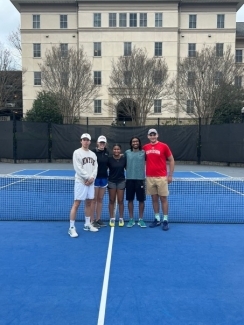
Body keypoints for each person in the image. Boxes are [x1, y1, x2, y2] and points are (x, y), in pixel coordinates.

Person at [142, 128, 174, 231]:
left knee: (163, 199)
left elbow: (171, 160)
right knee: (154, 199)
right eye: (150, 135)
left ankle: (165, 220)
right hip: (150, 177)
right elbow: (142, 161)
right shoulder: (145, 148)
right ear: (148, 136)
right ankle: (157, 218)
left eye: (154, 134)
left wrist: (170, 175)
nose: (152, 136)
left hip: (161, 177)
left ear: (157, 135)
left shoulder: (164, 146)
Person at [68, 133, 98, 238]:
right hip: (81, 182)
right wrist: (87, 178)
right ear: (81, 141)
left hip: (90, 182)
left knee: (89, 203)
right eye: (84, 139)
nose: (86, 141)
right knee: (76, 204)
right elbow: (77, 168)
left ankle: (87, 224)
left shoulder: (93, 154)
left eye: (87, 140)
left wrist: (92, 178)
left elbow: (95, 167)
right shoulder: (77, 153)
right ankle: (71, 228)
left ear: (90, 142)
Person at [124, 137, 147, 228]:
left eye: (136, 141)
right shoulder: (127, 153)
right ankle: (131, 219)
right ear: (131, 143)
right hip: (129, 179)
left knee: (141, 200)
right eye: (133, 141)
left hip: (140, 180)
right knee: (130, 200)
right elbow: (124, 164)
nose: (135, 143)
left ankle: (141, 219)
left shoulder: (143, 152)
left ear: (139, 143)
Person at [91, 135, 109, 228]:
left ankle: (98, 219)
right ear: (97, 143)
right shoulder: (93, 153)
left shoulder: (107, 153)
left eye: (103, 142)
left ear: (105, 144)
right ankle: (92, 220)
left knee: (100, 199)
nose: (102, 144)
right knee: (94, 200)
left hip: (104, 178)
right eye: (100, 142)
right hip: (95, 179)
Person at [107, 144, 126, 227]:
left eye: (118, 149)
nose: (116, 151)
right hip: (111, 181)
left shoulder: (124, 159)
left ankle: (121, 218)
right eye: (115, 149)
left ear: (120, 150)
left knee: (121, 200)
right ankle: (112, 218)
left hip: (121, 181)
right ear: (112, 150)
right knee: (112, 200)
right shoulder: (109, 159)